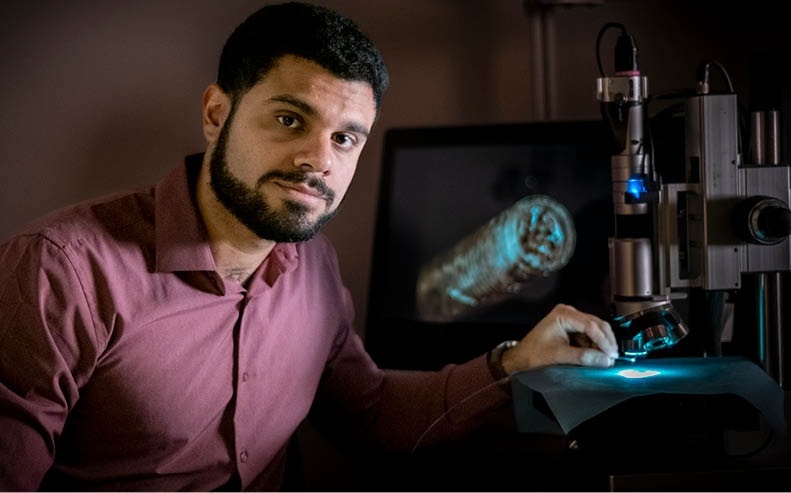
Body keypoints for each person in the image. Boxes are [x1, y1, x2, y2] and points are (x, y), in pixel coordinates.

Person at [0, 2, 619, 491]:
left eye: (346, 138)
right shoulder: (60, 270)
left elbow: (371, 411)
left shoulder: (311, 266)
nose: (318, 161)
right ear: (217, 113)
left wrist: (511, 365)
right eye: (291, 120)